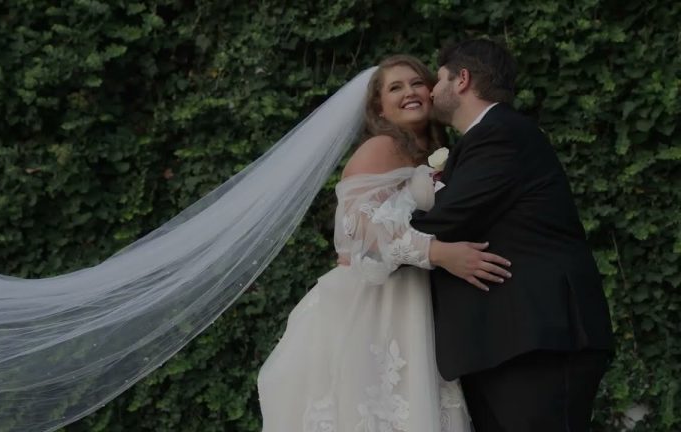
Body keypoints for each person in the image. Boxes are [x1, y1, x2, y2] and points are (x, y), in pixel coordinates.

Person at [258, 55, 511, 431]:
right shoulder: (380, 147)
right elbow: (357, 232)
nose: (410, 92)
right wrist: (437, 252)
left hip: (419, 304)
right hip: (373, 306)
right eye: (396, 87)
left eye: (417, 83)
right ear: (379, 107)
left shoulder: (439, 153)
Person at [411, 39, 615, 431]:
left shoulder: (500, 134)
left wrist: (374, 238)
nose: (431, 92)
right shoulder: (487, 138)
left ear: (462, 80)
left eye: (438, 80)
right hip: (503, 342)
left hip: (537, 340)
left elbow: (449, 220)